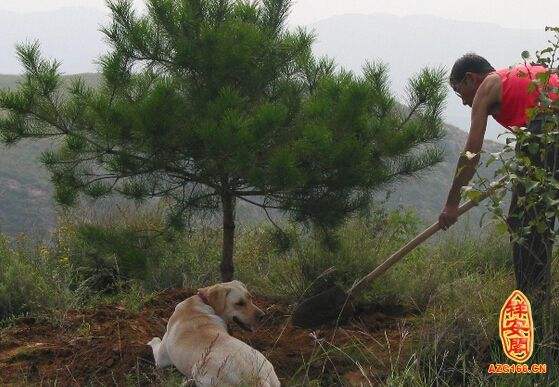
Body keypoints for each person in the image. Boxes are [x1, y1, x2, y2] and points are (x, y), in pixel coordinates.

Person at [439, 53, 559, 339]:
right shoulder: (526, 72)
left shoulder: (488, 85)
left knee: (524, 224)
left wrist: (452, 202)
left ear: (471, 78)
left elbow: (471, 152)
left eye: (460, 92)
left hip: (546, 130)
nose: (464, 102)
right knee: (536, 220)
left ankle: (535, 309)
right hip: (546, 130)